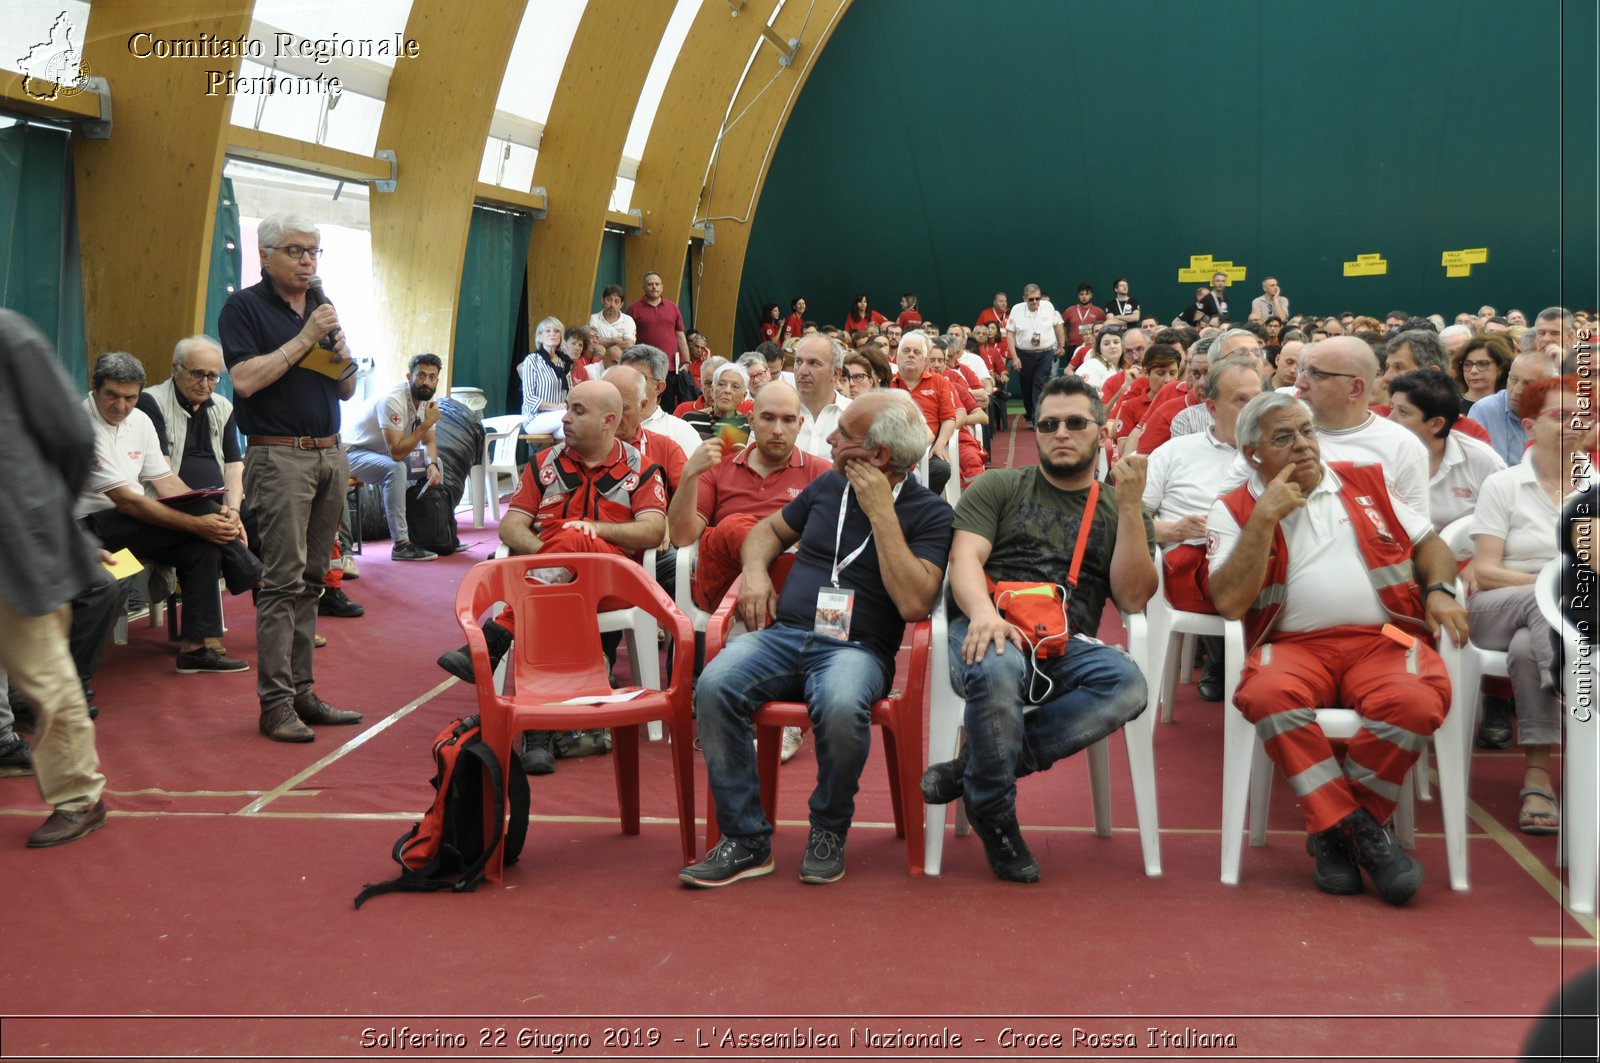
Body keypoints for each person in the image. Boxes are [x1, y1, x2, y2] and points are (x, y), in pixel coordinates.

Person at [681, 390, 952, 887]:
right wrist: (757, 571)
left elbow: (915, 603)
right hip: (786, 636)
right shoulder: (828, 487)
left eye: (844, 435)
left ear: (880, 456)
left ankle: (828, 827)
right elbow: (766, 532)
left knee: (842, 702)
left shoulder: (930, 513)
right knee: (714, 684)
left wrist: (882, 514)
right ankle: (745, 839)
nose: (828, 438)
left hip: (858, 650)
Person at [1207, 391, 1468, 905]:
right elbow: (1230, 604)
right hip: (1292, 644)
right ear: (1253, 453)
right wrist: (1263, 520)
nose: (1303, 445)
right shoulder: (1233, 507)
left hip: (1385, 639)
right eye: (1284, 437)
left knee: (1415, 701)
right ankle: (1368, 838)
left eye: (1307, 431)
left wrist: (1438, 589)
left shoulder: (1365, 479)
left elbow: (1430, 543)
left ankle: (1336, 836)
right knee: (1268, 696)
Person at [923, 373, 1157, 885]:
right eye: (1048, 424)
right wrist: (984, 614)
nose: (1061, 433)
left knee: (1130, 683)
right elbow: (964, 558)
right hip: (987, 629)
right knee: (998, 661)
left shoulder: (1120, 505)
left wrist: (1134, 509)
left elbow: (1135, 597)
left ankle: (977, 778)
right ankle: (998, 814)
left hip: (1065, 644)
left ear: (1101, 432)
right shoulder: (1000, 485)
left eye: (1076, 423)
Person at [436, 380, 668, 774]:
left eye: (578, 410)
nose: (565, 417)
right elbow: (511, 527)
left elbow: (652, 531)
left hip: (611, 588)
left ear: (609, 420)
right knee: (552, 594)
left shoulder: (641, 470)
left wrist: (590, 531)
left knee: (574, 536)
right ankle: (539, 730)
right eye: (568, 407)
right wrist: (553, 558)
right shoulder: (543, 464)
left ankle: (501, 635)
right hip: (547, 589)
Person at [217, 212, 364, 742]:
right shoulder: (243, 308)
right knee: (280, 582)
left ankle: (303, 691)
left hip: (330, 454)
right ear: (265, 255)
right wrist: (306, 337)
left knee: (312, 581)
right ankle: (275, 704)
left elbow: (346, 392)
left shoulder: (321, 308)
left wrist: (345, 359)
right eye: (297, 251)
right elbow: (245, 381)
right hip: (279, 457)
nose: (308, 261)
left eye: (314, 252)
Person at [75, 353, 260, 674]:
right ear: (94, 387)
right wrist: (200, 522)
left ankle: (195, 649)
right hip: (89, 530)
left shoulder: (140, 420)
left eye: (130, 397)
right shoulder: (81, 425)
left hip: (131, 526)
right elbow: (127, 501)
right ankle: (259, 576)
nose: (121, 406)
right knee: (203, 523)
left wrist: (215, 517)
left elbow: (167, 482)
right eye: (112, 396)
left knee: (201, 544)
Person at [0, 310, 108, 848]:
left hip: (14, 541)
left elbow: (71, 438)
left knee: (46, 678)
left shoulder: (8, 334)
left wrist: (40, 511)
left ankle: (79, 798)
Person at [1467, 377, 1592, 834]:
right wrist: (1549, 589)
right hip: (1495, 607)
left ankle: (1537, 774)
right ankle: (1567, 684)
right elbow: (1485, 571)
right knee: (1542, 610)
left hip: (1563, 616)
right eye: (1561, 416)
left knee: (1526, 648)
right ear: (1529, 425)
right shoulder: (1503, 485)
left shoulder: (1596, 488)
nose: (1574, 425)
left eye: (1582, 416)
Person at [1141, 357, 1263, 699]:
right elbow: (1130, 518)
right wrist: (1173, 530)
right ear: (1211, 407)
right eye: (1241, 400)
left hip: (1261, 557)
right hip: (1193, 558)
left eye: (1258, 398)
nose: (1253, 409)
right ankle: (1239, 664)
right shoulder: (1174, 452)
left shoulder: (1278, 453)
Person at [669, 381, 830, 614]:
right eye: (767, 418)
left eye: (787, 420)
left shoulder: (821, 473)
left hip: (793, 583)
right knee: (733, 527)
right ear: (751, 420)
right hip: (727, 591)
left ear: (799, 424)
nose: (777, 429)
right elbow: (682, 537)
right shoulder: (717, 469)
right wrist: (689, 474)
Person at [344, 353, 445, 562]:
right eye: (421, 375)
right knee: (396, 468)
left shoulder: (427, 401)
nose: (426, 382)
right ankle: (401, 544)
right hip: (353, 453)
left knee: (436, 463)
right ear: (409, 376)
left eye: (432, 377)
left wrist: (432, 464)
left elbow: (429, 444)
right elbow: (397, 453)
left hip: (382, 453)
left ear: (437, 380)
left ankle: (438, 534)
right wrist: (426, 424)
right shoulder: (393, 401)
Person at [1385, 370, 1506, 532]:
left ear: (1436, 424)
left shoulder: (1483, 460)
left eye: (1403, 412)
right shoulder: (1377, 454)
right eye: (1391, 408)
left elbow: (1508, 520)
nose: (1389, 419)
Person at [889, 331, 957, 497]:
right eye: (906, 351)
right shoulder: (887, 383)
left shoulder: (939, 382)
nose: (911, 355)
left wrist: (940, 444)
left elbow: (949, 418)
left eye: (917, 352)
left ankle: (922, 504)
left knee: (941, 469)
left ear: (925, 361)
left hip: (929, 448)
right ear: (897, 357)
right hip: (892, 449)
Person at [1470, 351, 1559, 465]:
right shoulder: (1483, 411)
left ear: (1548, 386)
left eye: (1528, 384)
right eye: (1513, 379)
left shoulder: (1559, 413)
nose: (1516, 390)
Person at [619, 344, 703, 460]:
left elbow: (693, 476)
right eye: (623, 375)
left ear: (659, 387)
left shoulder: (680, 432)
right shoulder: (605, 422)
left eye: (638, 378)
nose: (626, 383)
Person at [1005, 284, 1064, 428]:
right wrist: (1015, 357)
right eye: (1031, 299)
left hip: (1046, 353)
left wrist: (1061, 345)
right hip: (1024, 354)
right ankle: (1030, 413)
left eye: (1037, 298)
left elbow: (1058, 325)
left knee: (1039, 383)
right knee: (1027, 385)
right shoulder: (1016, 310)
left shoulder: (1048, 306)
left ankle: (1037, 417)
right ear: (1024, 298)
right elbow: (1010, 334)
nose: (1035, 302)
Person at [790, 333, 850, 460]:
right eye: (799, 362)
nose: (802, 371)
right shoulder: (776, 412)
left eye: (814, 363)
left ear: (835, 373)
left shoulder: (854, 415)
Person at [626, 272, 689, 373]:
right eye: (650, 284)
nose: (654, 287)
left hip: (671, 366)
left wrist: (686, 361)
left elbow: (680, 336)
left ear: (662, 287)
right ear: (644, 288)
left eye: (657, 284)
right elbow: (628, 338)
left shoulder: (673, 307)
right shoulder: (633, 309)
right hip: (644, 366)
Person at [519, 316, 571, 437]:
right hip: (534, 418)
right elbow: (529, 398)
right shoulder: (531, 360)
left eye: (556, 331)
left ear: (561, 337)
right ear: (540, 337)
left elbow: (570, 393)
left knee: (573, 432)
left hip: (558, 417)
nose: (552, 334)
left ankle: (553, 456)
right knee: (569, 419)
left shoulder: (563, 362)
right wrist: (557, 407)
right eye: (548, 331)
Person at [682, 363, 749, 441]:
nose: (727, 390)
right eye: (721, 384)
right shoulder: (691, 420)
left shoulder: (748, 424)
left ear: (743, 396)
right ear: (712, 390)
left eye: (735, 387)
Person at [1454, 333, 1514, 411]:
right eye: (1467, 364)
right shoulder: (1452, 405)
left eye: (1482, 364)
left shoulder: (1509, 406)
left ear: (1500, 368)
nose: (1473, 371)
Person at [588, 284, 636, 364]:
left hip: (620, 364)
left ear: (621, 305)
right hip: (597, 363)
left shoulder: (628, 320)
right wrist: (615, 340)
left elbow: (629, 344)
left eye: (616, 301)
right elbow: (593, 342)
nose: (612, 305)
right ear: (602, 300)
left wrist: (605, 349)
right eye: (609, 300)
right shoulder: (594, 319)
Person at [1075, 325, 1125, 393]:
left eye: (1116, 342)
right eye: (1106, 344)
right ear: (1099, 348)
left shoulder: (1126, 367)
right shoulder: (1091, 366)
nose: (1112, 346)